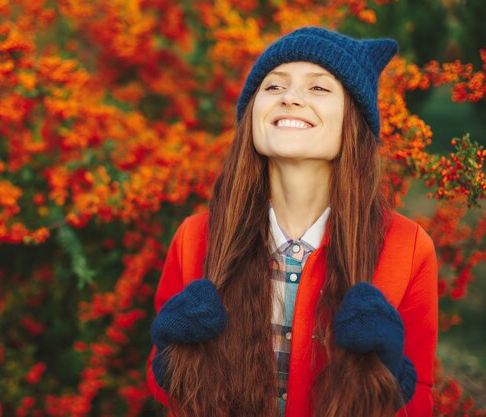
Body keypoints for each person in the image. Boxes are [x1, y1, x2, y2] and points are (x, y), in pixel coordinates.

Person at [146, 26, 438, 417]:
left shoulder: (407, 247)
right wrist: (172, 359)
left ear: (354, 119)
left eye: (318, 88)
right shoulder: (196, 238)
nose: (290, 98)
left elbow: (421, 400)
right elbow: (164, 387)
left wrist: (388, 378)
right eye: (273, 87)